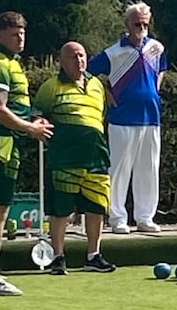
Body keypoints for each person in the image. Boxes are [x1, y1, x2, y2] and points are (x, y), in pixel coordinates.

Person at [0, 11, 54, 295]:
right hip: (1, 142)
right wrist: (30, 129)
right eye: (13, 33)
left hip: (7, 140)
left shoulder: (12, 63)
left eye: (22, 32)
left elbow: (14, 107)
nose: (20, 37)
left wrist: (33, 120)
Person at [34, 41, 116, 275]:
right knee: (60, 209)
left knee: (97, 205)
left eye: (81, 56)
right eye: (72, 57)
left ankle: (93, 256)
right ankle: (58, 257)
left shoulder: (97, 85)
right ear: (62, 60)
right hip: (65, 156)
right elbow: (38, 115)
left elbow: (99, 118)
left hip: (96, 154)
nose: (78, 60)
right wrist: (40, 125)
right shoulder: (51, 86)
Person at [88, 0, 168, 234]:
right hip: (122, 117)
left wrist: (155, 88)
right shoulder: (114, 52)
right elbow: (88, 71)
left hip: (151, 116)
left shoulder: (157, 47)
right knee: (119, 169)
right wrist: (105, 91)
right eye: (137, 23)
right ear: (127, 24)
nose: (141, 28)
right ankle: (117, 218)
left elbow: (162, 68)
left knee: (149, 169)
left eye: (144, 23)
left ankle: (145, 217)